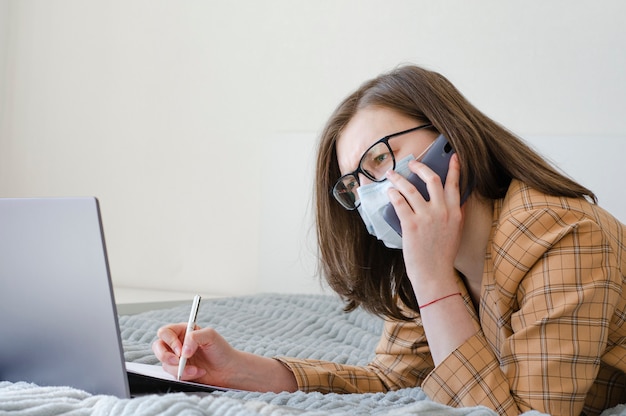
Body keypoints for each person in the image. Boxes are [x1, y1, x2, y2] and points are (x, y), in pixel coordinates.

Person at [152, 65, 626, 416]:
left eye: (381, 158)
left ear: (449, 137)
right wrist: (238, 370)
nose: (373, 192)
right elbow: (390, 377)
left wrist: (432, 275)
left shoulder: (562, 234)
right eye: (356, 183)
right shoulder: (431, 252)